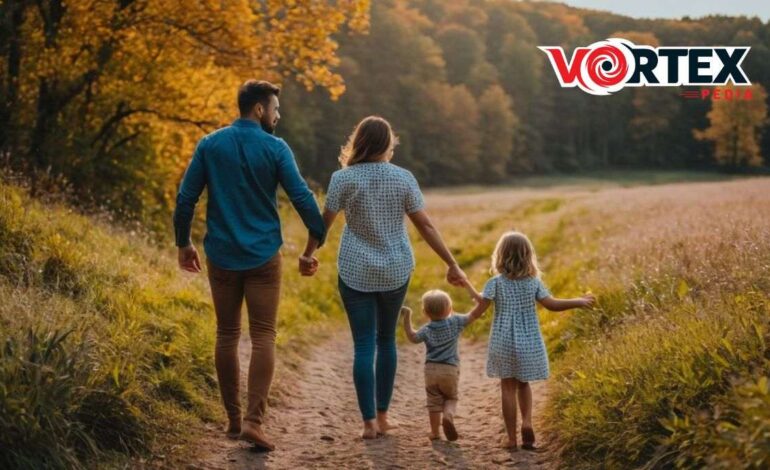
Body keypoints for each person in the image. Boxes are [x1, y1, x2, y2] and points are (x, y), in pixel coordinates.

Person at [172, 79, 325, 451]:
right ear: (259, 109)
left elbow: (186, 197)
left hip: (221, 254)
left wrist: (183, 243)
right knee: (262, 336)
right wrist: (316, 238)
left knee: (226, 334)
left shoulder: (210, 144)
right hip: (263, 258)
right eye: (275, 108)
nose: (278, 114)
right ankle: (255, 421)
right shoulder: (275, 147)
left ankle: (234, 421)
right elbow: (301, 196)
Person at [301, 116, 469, 439]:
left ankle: (368, 424)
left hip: (355, 270)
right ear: (388, 144)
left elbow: (322, 225)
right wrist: (451, 263)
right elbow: (426, 226)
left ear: (359, 141)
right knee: (386, 340)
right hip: (395, 269)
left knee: (363, 344)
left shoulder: (342, 179)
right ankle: (384, 416)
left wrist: (309, 254)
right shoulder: (404, 178)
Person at [466, 231, 595, 450]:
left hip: (502, 340)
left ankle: (511, 438)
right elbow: (552, 305)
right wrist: (579, 301)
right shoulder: (533, 282)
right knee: (523, 384)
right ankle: (527, 422)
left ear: (500, 256)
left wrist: (460, 319)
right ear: (528, 256)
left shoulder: (495, 283)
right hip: (529, 341)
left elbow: (479, 308)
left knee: (507, 387)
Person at [401, 288, 484, 441]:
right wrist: (481, 299)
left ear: (425, 312)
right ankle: (448, 415)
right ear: (450, 309)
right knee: (451, 398)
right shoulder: (456, 322)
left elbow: (413, 337)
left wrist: (407, 316)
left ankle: (435, 432)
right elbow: (475, 314)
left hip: (431, 370)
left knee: (433, 402)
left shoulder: (426, 329)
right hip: (450, 369)